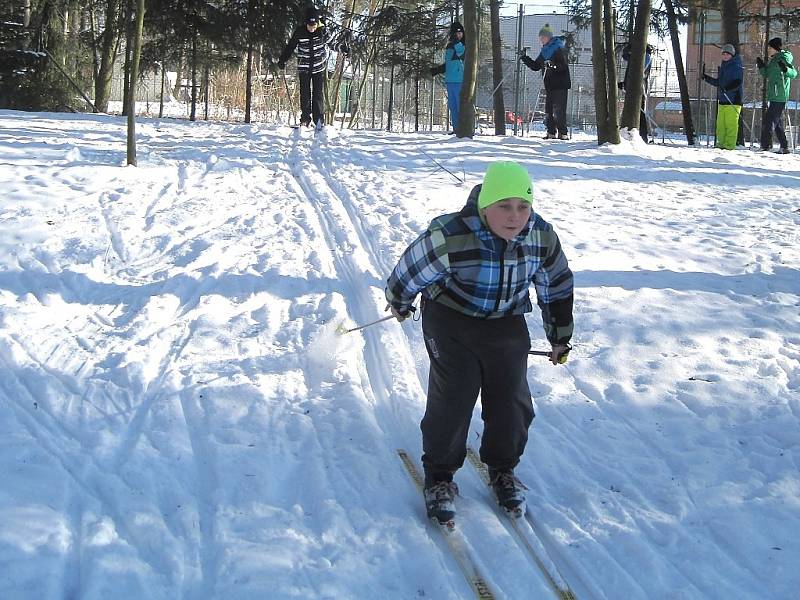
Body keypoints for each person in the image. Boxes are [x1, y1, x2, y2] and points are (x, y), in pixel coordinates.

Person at [384, 161, 574, 523]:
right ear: (485, 205)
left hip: (505, 321)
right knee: (454, 395)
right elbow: (409, 271)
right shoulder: (450, 235)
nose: (514, 216)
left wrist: (559, 336)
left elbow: (557, 285)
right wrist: (400, 303)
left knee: (511, 400)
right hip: (450, 319)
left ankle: (503, 469)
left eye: (523, 206)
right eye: (504, 205)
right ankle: (439, 477)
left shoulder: (540, 236)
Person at [277, 7, 347, 129]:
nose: (312, 28)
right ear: (306, 23)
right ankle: (305, 119)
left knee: (318, 94)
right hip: (304, 67)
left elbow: (332, 44)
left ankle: (319, 119)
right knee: (305, 93)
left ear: (317, 23)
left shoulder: (323, 31)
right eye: (310, 25)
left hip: (318, 67)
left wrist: (342, 48)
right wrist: (283, 59)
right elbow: (290, 46)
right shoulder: (300, 31)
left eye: (314, 25)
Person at [520, 24, 571, 140]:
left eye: (542, 37)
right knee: (548, 110)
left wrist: (552, 65)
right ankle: (551, 131)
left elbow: (563, 66)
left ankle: (563, 133)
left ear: (549, 37)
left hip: (560, 85)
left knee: (559, 110)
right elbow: (536, 66)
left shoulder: (559, 48)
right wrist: (525, 58)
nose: (541, 40)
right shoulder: (545, 51)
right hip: (549, 85)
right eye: (540, 38)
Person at [757, 37, 797, 154]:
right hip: (773, 95)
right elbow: (768, 74)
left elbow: (793, 73)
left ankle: (764, 146)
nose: (768, 49)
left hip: (780, 95)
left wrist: (785, 69)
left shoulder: (784, 58)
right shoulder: (774, 60)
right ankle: (784, 146)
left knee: (769, 120)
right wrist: (761, 67)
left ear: (775, 48)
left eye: (770, 47)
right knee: (777, 122)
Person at [702, 44, 743, 151]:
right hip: (723, 99)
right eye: (723, 54)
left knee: (731, 125)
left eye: (727, 54)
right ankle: (720, 144)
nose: (725, 56)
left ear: (732, 55)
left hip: (733, 100)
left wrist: (728, 89)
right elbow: (719, 83)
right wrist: (706, 78)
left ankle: (729, 145)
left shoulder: (736, 65)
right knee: (721, 125)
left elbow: (738, 82)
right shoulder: (724, 66)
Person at [618, 43, 653, 143]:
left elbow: (639, 73)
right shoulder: (637, 59)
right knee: (636, 113)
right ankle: (637, 136)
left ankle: (643, 137)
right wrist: (625, 84)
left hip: (639, 90)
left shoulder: (645, 57)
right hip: (635, 88)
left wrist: (629, 84)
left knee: (639, 115)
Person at [442, 21, 465, 132]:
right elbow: (448, 62)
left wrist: (456, 42)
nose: (459, 35)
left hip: (459, 80)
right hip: (450, 80)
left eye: (460, 32)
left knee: (460, 105)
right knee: (453, 106)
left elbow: (461, 53)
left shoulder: (462, 45)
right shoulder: (450, 45)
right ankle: (456, 128)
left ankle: (462, 128)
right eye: (456, 33)